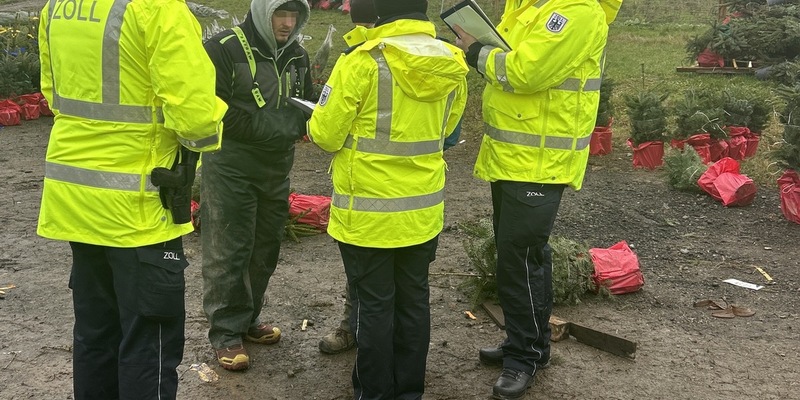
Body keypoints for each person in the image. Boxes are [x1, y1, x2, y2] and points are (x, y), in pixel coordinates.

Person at [36, 0, 227, 398]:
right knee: (148, 341)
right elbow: (196, 119)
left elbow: (54, 95)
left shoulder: (59, 6)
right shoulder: (159, 9)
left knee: (95, 334)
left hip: (76, 198)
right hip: (139, 207)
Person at [452, 0, 621, 398]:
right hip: (513, 157)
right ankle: (529, 344)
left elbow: (524, 72)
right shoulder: (528, 8)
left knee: (520, 260)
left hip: (541, 162)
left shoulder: (577, 12)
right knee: (522, 256)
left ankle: (523, 358)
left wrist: (477, 51)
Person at [307, 0, 468, 398]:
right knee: (414, 301)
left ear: (380, 11)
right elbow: (447, 133)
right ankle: (408, 390)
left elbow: (325, 135)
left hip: (368, 215)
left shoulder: (362, 62)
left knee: (374, 307)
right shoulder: (453, 63)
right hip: (422, 211)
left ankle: (374, 393)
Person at [201, 0, 313, 371]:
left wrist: (302, 122)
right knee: (228, 247)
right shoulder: (222, 48)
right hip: (231, 166)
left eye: (294, 16)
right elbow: (213, 109)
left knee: (265, 246)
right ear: (263, 12)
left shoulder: (297, 55)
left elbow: (306, 103)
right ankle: (225, 333)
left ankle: (247, 319)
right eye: (280, 14)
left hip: (276, 168)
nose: (287, 23)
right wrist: (281, 128)